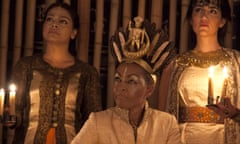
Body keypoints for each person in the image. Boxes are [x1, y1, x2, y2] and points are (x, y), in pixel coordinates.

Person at [71, 17, 181, 144]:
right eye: (118, 79)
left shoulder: (166, 124)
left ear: (150, 88)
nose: (121, 87)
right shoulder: (98, 122)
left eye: (131, 81)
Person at [8, 2, 102, 144]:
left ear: (73, 33)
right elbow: (16, 111)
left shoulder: (86, 73)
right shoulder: (26, 66)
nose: (54, 24)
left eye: (63, 21)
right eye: (50, 19)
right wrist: (11, 118)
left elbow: (93, 120)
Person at [158, 0, 240, 143]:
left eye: (212, 11)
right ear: (191, 20)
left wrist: (235, 114)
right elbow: (162, 119)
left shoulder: (236, 63)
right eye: (198, 10)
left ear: (222, 21)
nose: (204, 17)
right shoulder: (175, 66)